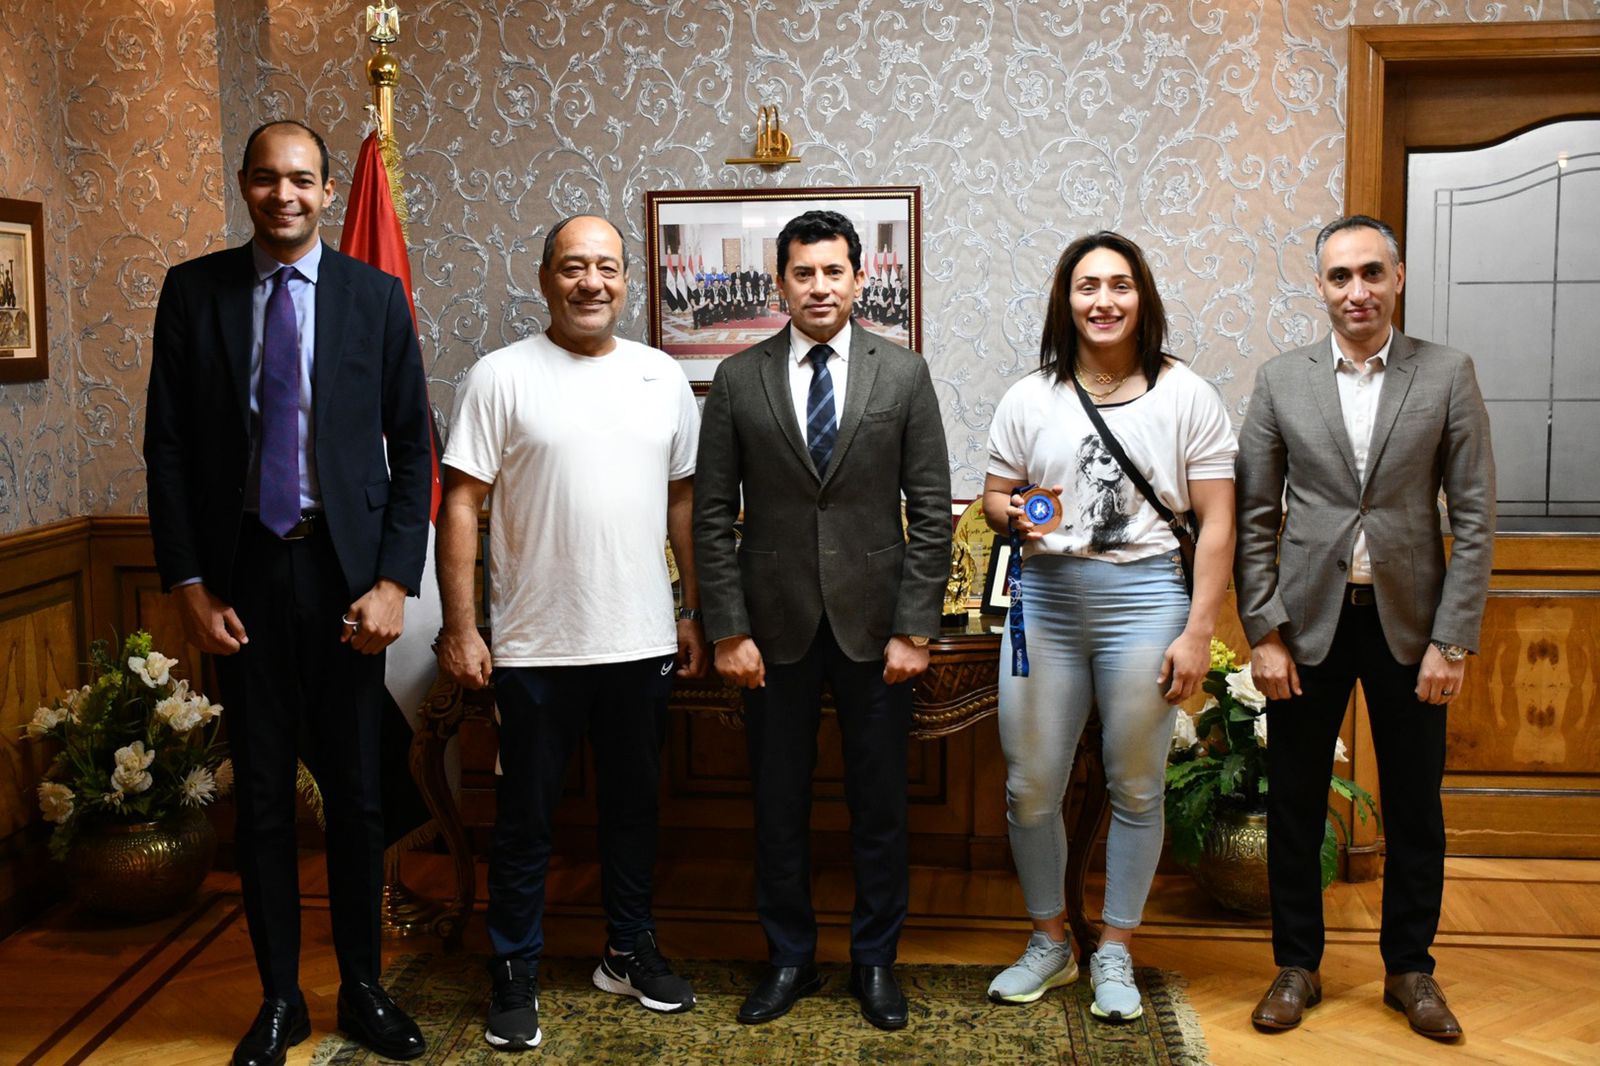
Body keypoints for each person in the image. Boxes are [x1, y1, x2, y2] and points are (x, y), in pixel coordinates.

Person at [144, 119, 432, 1066]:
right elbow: (168, 449)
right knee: (263, 797)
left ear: (326, 192)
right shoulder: (194, 292)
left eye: (302, 179)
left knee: (357, 795)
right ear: (244, 185)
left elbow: (412, 447)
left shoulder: (373, 296)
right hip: (244, 579)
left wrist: (394, 581)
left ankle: (363, 988)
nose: (285, 195)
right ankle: (278, 1000)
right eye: (268, 178)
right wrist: (189, 583)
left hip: (348, 578)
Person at [435, 214, 708, 1052]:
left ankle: (627, 951)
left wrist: (693, 612)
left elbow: (684, 503)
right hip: (534, 646)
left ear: (629, 280)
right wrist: (461, 627)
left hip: (642, 641)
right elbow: (461, 503)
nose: (592, 282)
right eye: (573, 267)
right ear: (545, 278)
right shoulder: (500, 376)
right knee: (525, 820)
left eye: (608, 268)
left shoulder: (663, 376)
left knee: (633, 811)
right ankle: (514, 968)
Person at [1235, 215, 1494, 1041]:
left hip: (1410, 628)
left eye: (1372, 273)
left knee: (1416, 807)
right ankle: (1296, 966)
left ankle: (1411, 970)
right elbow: (1253, 516)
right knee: (1295, 804)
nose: (1357, 291)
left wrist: (1451, 641)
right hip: (1305, 625)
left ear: (1398, 278)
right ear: (1320, 285)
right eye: (1341, 276)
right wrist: (1264, 632)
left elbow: (1475, 517)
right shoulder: (1281, 380)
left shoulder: (1447, 374)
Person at [694, 209, 950, 1031]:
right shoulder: (738, 379)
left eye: (833, 271)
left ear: (858, 279)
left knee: (880, 808)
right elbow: (711, 515)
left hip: (878, 633)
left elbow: (932, 511)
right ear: (780, 284)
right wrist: (728, 629)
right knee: (778, 807)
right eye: (802, 273)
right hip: (772, 631)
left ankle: (875, 962)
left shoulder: (903, 374)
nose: (819, 287)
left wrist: (915, 628)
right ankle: (789, 959)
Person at [981, 231, 1236, 1022]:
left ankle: (1116, 948)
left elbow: (1218, 524)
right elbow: (994, 496)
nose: (1103, 301)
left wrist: (1198, 631)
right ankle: (1050, 942)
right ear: (1066, 301)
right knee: (1030, 788)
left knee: (1135, 785)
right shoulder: (1031, 396)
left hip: (1147, 600)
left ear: (1141, 297)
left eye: (1119, 285)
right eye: (1087, 286)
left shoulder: (1187, 394)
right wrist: (1013, 513)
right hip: (1045, 604)